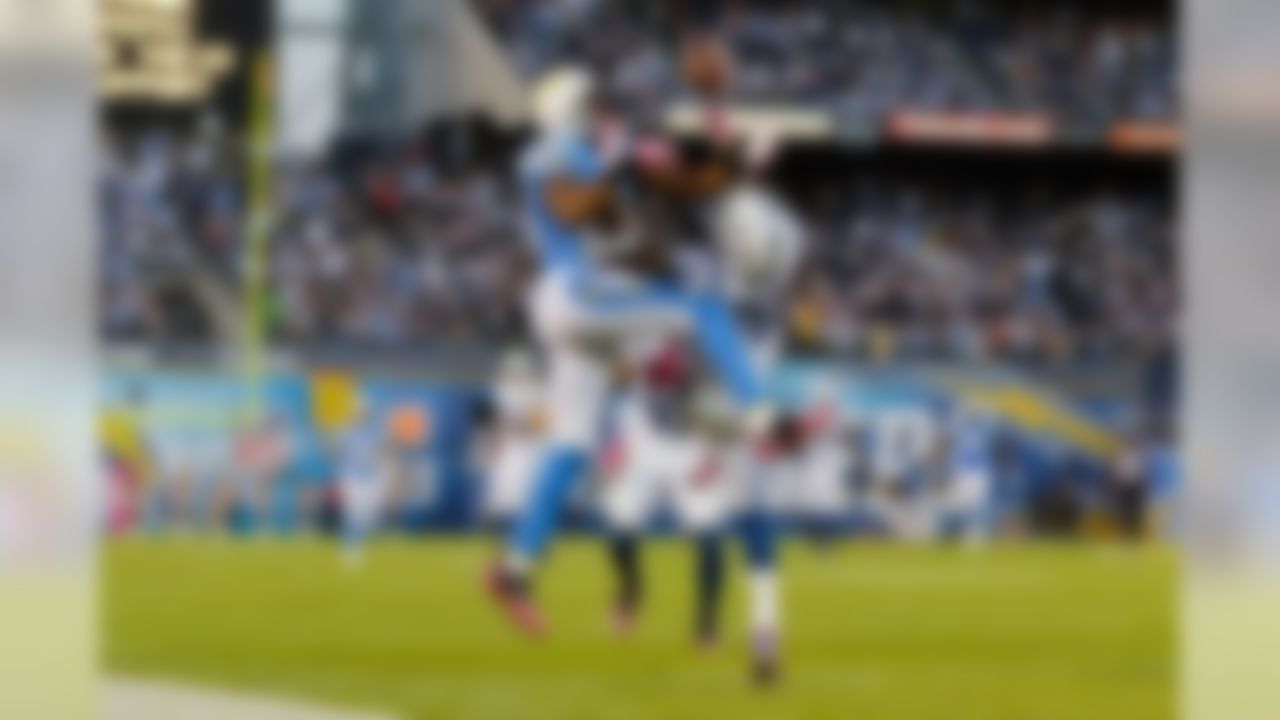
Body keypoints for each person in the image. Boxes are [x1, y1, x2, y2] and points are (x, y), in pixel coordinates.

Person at [484, 64, 770, 638]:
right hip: (572, 294)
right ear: (566, 108)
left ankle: (516, 569)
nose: (597, 111)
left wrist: (727, 137)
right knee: (700, 307)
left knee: (571, 445)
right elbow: (571, 208)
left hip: (586, 312)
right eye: (588, 103)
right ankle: (761, 411)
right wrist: (619, 167)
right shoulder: (552, 152)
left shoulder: (598, 154)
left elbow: (701, 184)